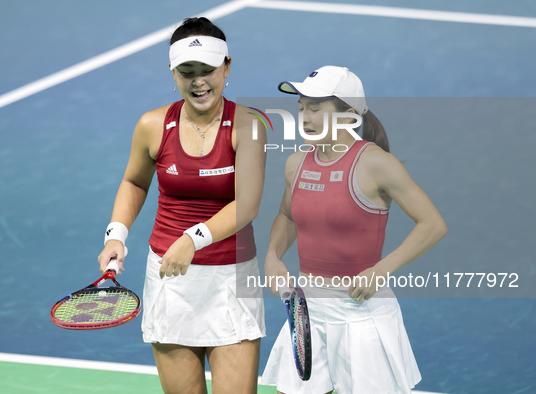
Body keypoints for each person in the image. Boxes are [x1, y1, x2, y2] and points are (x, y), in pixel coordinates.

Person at [97, 17, 267, 394]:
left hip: (231, 278)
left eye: (207, 70)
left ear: (227, 67)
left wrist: (193, 238)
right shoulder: (153, 124)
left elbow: (249, 203)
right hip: (170, 280)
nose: (198, 81)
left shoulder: (248, 126)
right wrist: (116, 235)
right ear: (173, 72)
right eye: (186, 71)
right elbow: (134, 181)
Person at [261, 66, 447, 394]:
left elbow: (433, 224)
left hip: (360, 313)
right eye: (302, 107)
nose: (304, 116)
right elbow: (286, 215)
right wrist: (273, 257)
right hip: (308, 310)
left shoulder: (377, 164)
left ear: (347, 116)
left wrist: (382, 269)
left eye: (315, 109)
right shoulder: (297, 163)